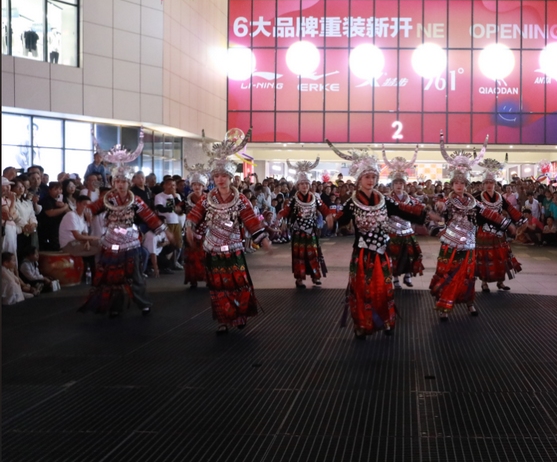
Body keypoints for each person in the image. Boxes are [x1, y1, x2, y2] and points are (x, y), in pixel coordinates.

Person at [327, 141, 434, 337]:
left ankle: (386, 320)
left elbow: (405, 210)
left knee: (384, 287)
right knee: (362, 288)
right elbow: (340, 221)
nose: (370, 180)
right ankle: (362, 324)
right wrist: (331, 221)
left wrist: (425, 214)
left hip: (383, 251)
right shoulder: (352, 202)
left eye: (373, 177)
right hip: (362, 253)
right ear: (359, 179)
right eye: (367, 177)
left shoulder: (384, 200)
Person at [185, 130, 269, 334]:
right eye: (217, 175)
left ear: (231, 177)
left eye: (224, 175)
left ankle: (239, 315)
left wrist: (263, 239)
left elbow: (250, 219)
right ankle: (222, 319)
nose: (220, 179)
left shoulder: (241, 199)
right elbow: (195, 214)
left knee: (237, 283)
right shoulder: (207, 198)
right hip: (213, 249)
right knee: (217, 287)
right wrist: (190, 226)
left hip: (233, 249)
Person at [79, 130, 168, 318]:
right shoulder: (108, 197)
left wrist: (164, 231)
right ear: (113, 182)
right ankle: (115, 305)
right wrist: (87, 211)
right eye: (117, 181)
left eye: (123, 181)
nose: (120, 184)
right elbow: (92, 208)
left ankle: (143, 303)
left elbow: (149, 216)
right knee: (112, 275)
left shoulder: (135, 199)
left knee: (134, 274)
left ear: (129, 182)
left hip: (129, 240)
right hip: (111, 240)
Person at [429, 134, 514, 320]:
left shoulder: (473, 201)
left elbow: (489, 213)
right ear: (452, 184)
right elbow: (439, 211)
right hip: (450, 242)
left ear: (466, 184)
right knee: (448, 272)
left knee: (468, 274)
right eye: (456, 183)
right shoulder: (447, 200)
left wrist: (507, 224)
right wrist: (439, 211)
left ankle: (469, 302)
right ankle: (445, 305)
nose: (459, 185)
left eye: (462, 183)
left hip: (468, 242)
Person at [473, 155, 525, 292]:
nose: (489, 185)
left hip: (499, 232)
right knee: (485, 257)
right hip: (483, 232)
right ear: (483, 184)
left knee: (500, 256)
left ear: (495, 184)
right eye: (487, 183)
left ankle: (500, 282)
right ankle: (484, 283)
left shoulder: (500, 197)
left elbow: (510, 209)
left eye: (492, 183)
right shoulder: (477, 197)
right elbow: (474, 214)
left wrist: (521, 220)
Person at [279, 157, 330, 289]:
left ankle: (315, 277)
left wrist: (330, 216)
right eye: (302, 184)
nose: (304, 186)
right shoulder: (293, 200)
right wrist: (279, 219)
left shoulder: (315, 198)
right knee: (299, 256)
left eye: (306, 184)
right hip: (298, 232)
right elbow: (285, 211)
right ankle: (299, 279)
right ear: (297, 185)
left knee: (313, 254)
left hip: (311, 232)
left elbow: (324, 209)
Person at [381, 146, 425, 290]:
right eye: (396, 183)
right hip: (392, 231)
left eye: (401, 183)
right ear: (392, 185)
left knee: (410, 255)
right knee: (394, 257)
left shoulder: (411, 199)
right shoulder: (386, 199)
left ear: (404, 184)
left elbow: (419, 211)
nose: (399, 185)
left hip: (407, 231)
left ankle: (408, 275)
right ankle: (395, 279)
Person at [182, 166, 208, 288]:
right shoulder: (185, 199)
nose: (197, 187)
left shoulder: (210, 199)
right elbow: (172, 208)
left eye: (199, 185)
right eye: (194, 185)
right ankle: (193, 279)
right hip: (190, 231)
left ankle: (208, 278)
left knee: (207, 256)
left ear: (203, 186)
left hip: (206, 231)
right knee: (191, 256)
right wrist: (171, 199)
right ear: (191, 186)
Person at [154, 177, 185, 271]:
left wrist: (174, 195)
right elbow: (160, 209)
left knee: (178, 244)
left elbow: (181, 207)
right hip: (166, 223)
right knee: (167, 245)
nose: (172, 187)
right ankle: (166, 265)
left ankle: (174, 262)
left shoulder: (177, 196)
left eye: (174, 185)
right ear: (164, 185)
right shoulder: (159, 196)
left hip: (176, 222)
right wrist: (172, 209)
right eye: (169, 185)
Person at [2, 177, 19, 256]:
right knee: (7, 254)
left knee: (12, 253)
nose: (8, 187)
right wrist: (13, 201)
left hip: (11, 229)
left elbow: (16, 215)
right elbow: (9, 215)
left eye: (9, 185)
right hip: (5, 230)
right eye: (5, 185)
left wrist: (11, 217)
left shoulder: (6, 200)